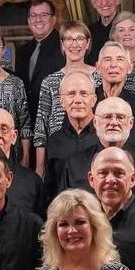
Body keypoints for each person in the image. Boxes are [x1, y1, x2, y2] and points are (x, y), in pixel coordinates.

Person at [56, 97, 135, 207]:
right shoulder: (74, 165)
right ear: (95, 122)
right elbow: (63, 212)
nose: (113, 122)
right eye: (107, 117)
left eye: (120, 117)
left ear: (131, 123)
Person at [33, 20, 100, 177]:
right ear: (62, 45)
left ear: (87, 43)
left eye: (80, 39)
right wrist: (40, 168)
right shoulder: (50, 81)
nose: (74, 44)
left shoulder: (100, 78)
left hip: (94, 148)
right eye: (68, 39)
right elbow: (41, 128)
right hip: (59, 154)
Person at [0, 26, 32, 164]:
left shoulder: (16, 83)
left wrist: (25, 156)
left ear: (3, 50)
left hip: (12, 152)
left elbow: (24, 122)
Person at [94, 41, 135, 153]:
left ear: (129, 68)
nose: (113, 65)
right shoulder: (85, 105)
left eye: (120, 59)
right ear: (98, 68)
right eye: (107, 59)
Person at [44, 71, 99, 198]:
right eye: (71, 94)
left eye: (84, 94)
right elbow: (50, 188)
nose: (78, 100)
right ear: (62, 101)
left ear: (93, 100)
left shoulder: (104, 137)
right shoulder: (54, 142)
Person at [15, 0, 65, 134]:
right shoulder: (22, 51)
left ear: (54, 19)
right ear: (28, 21)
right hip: (26, 126)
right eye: (34, 15)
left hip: (56, 125)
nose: (38, 20)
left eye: (43, 15)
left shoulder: (65, 48)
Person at [86, 0, 121, 65]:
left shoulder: (129, 28)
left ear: (117, 0)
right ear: (94, 4)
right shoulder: (89, 31)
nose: (104, 2)